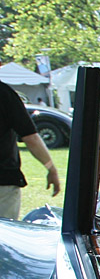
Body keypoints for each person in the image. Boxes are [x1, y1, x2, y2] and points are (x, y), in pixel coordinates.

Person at [0, 78, 61, 219]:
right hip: (3, 180)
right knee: (3, 236)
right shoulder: (4, 93)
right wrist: (51, 168)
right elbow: (30, 138)